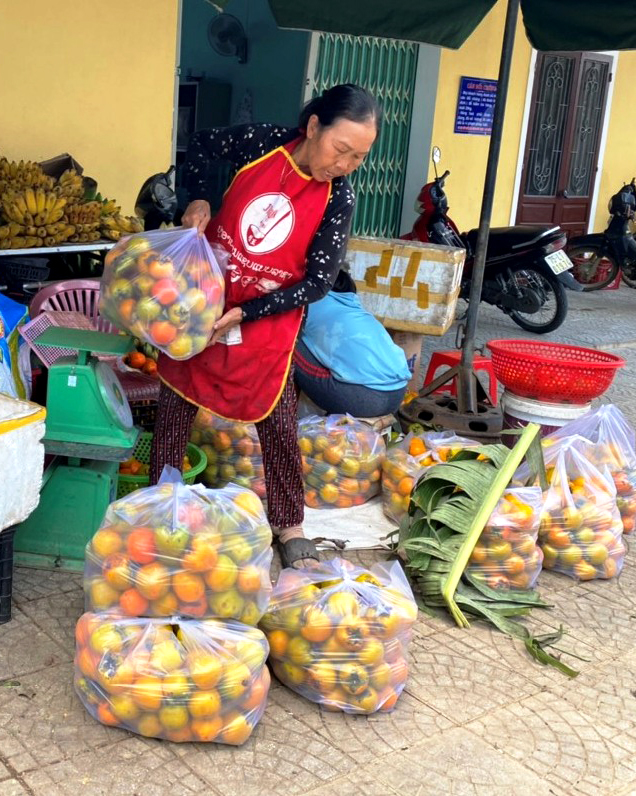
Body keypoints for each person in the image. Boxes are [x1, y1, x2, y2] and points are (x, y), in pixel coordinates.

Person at [150, 84, 381, 568]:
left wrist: (247, 313)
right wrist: (198, 199)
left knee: (275, 416)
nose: (344, 165)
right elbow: (200, 147)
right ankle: (160, 505)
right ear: (313, 126)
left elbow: (318, 282)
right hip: (204, 296)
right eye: (341, 150)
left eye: (358, 158)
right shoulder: (260, 145)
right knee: (176, 395)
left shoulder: (339, 196)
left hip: (267, 317)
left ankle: (289, 523)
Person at [294, 269, 412, 415]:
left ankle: (279, 415)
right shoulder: (356, 309)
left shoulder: (311, 303)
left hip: (361, 400)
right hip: (398, 396)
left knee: (288, 340)